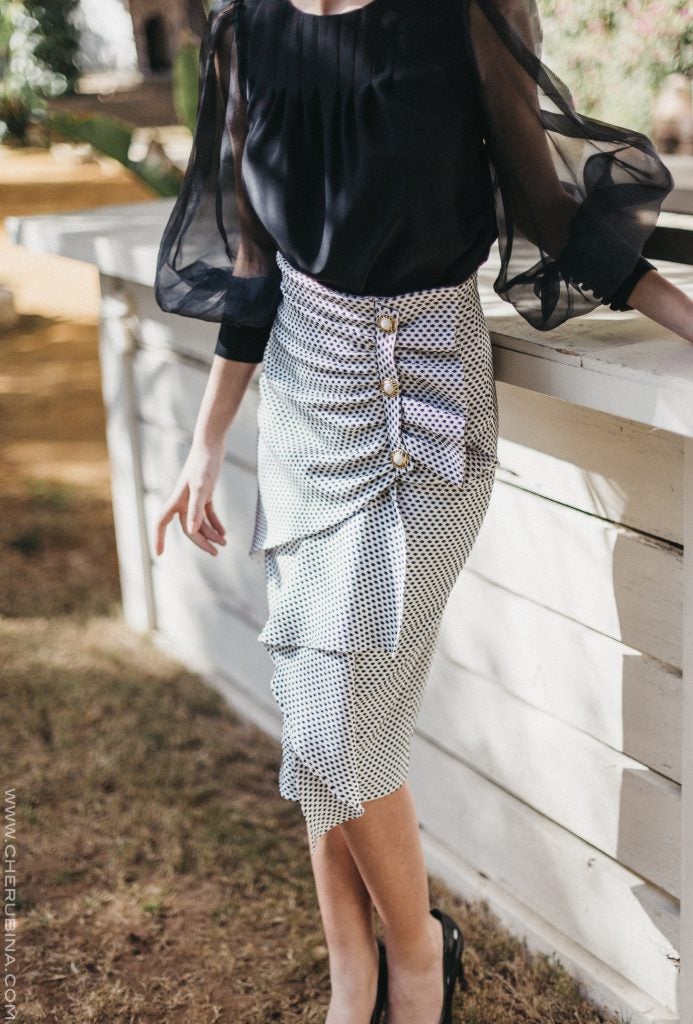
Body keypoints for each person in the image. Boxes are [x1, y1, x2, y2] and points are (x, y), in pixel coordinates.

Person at [152, 0, 693, 1021]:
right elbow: (253, 268)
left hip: (432, 396)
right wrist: (205, 440)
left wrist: (681, 312)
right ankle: (351, 970)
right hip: (306, 407)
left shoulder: (462, 13)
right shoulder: (246, 29)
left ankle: (415, 953)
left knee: (335, 712)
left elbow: (547, 209)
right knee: (316, 700)